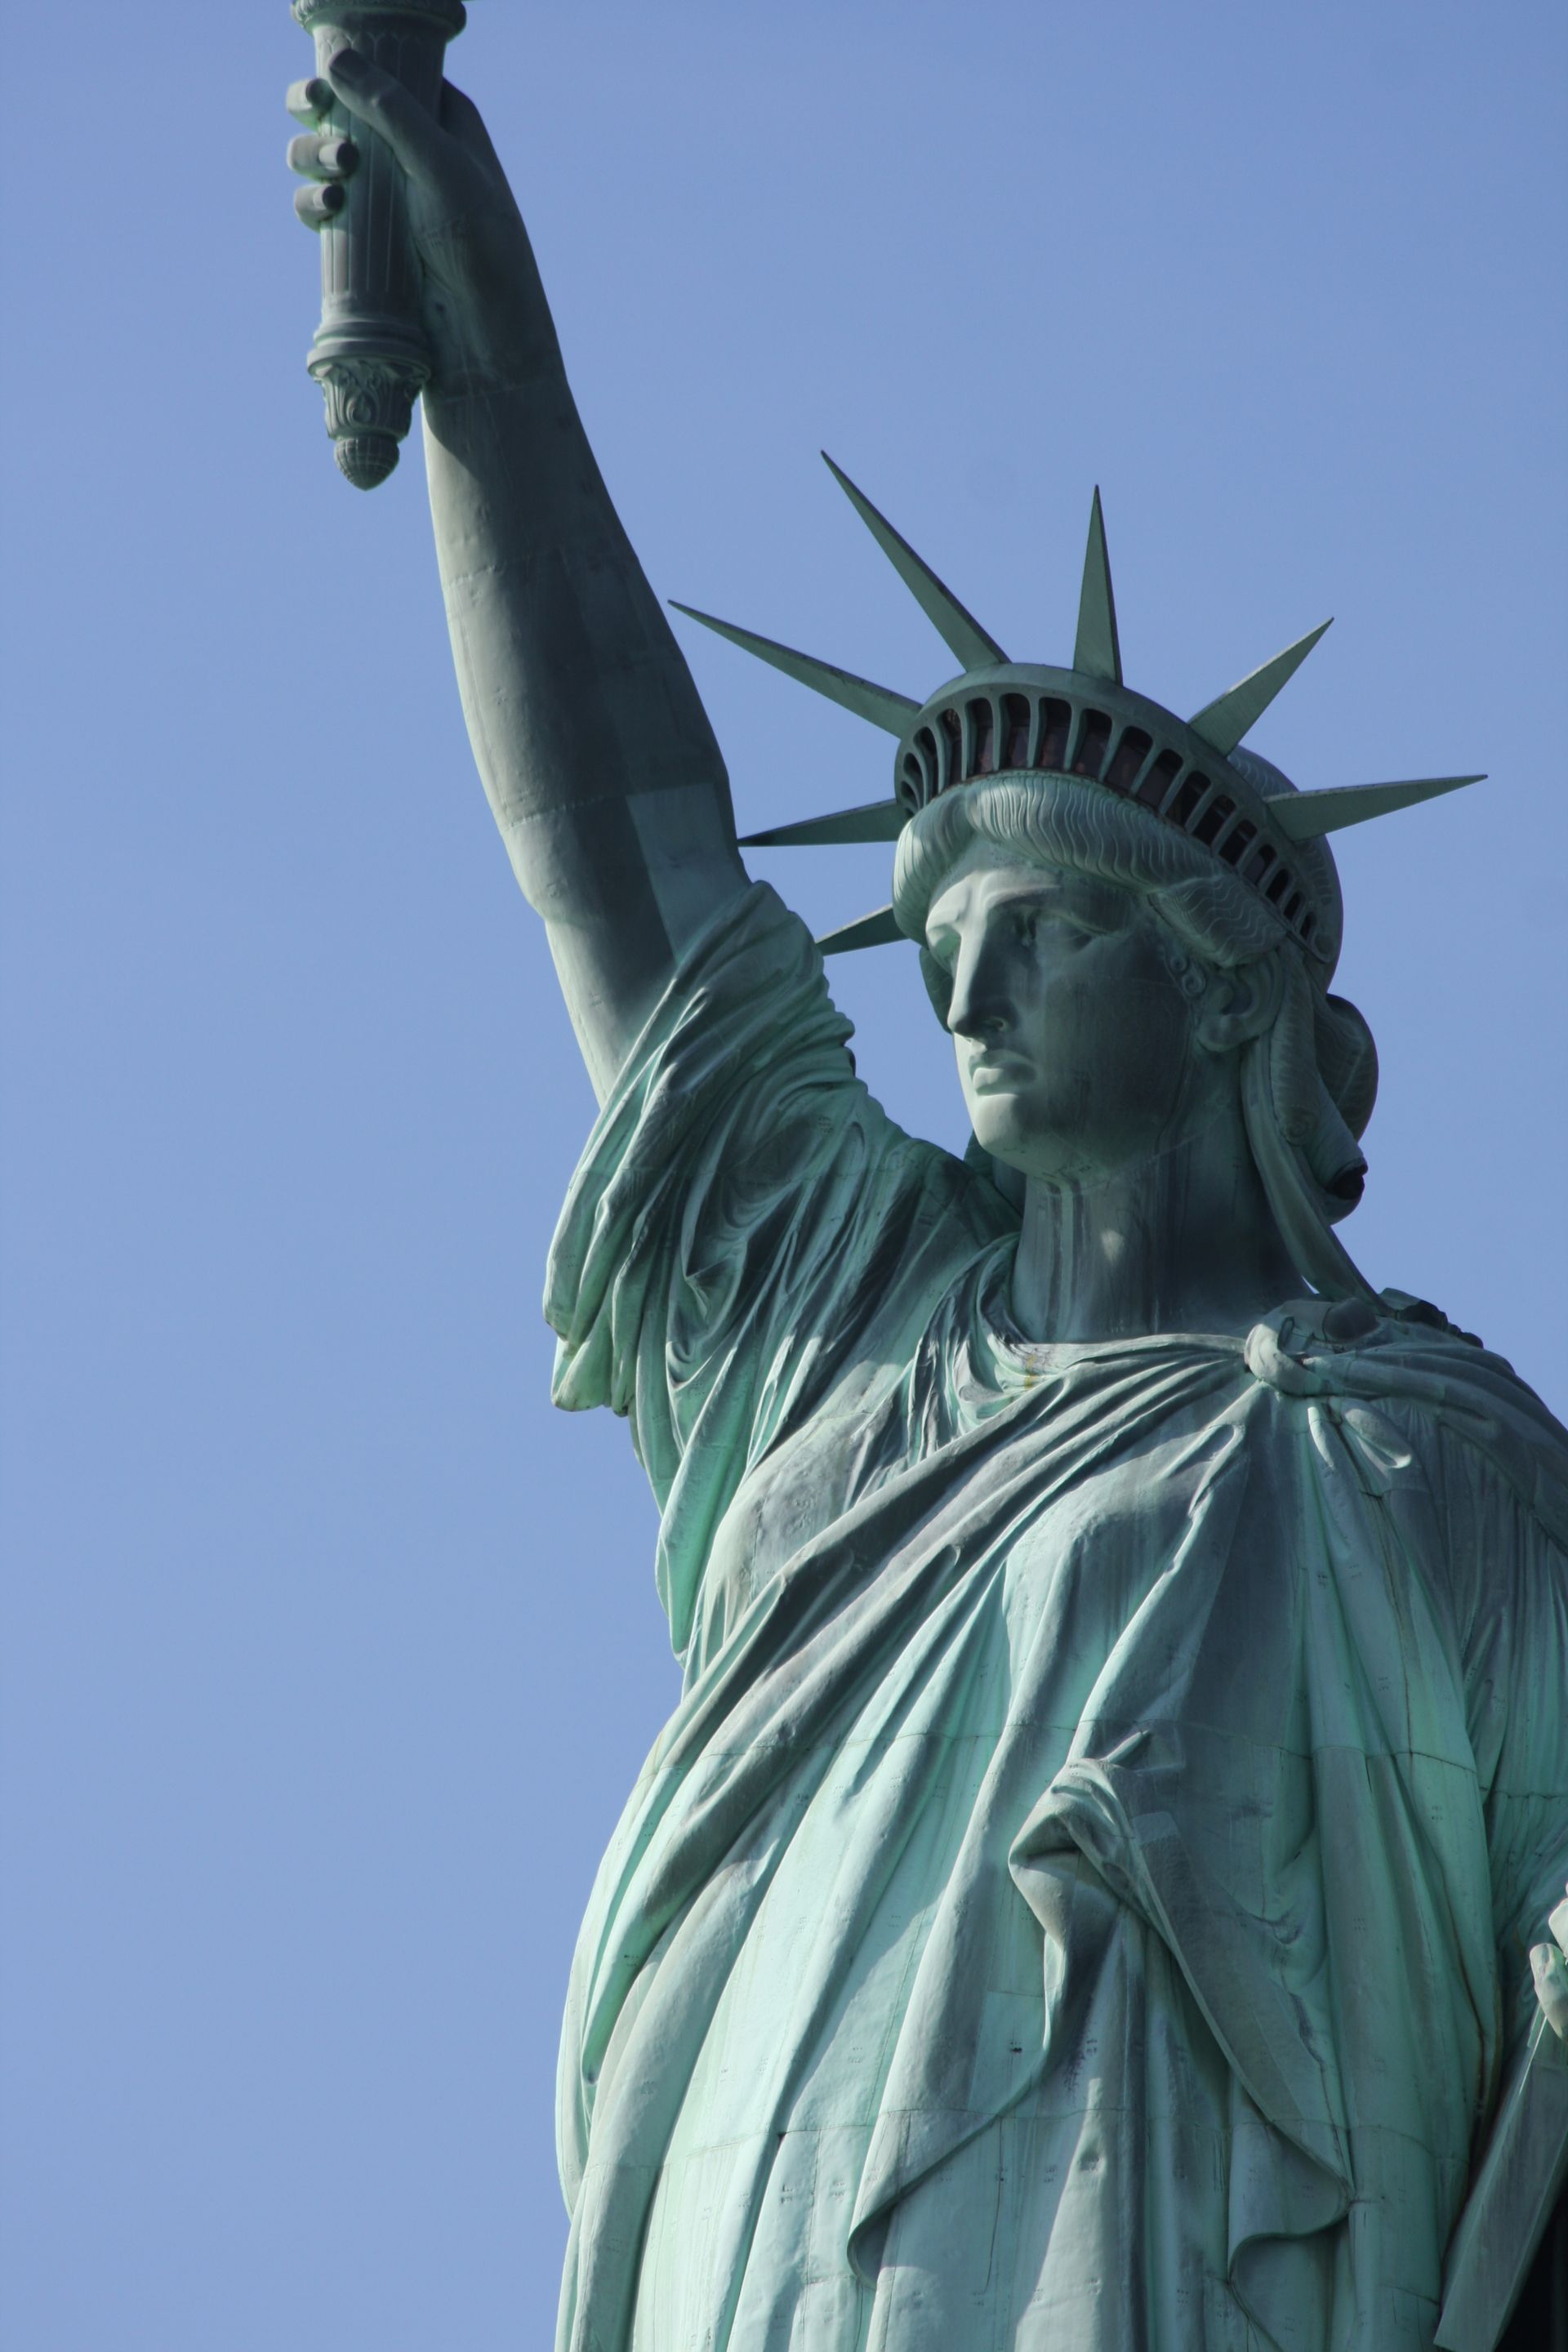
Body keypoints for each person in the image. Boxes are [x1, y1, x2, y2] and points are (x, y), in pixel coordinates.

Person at [288, 54, 1568, 2352]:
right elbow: (623, 872)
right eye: (932, 928)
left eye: (1045, 927)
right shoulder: (846, 1325)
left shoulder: (1438, 1473)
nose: (956, 979)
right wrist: (495, 364)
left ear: (1240, 1011)